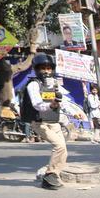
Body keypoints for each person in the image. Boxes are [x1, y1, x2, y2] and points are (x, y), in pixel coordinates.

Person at [21, 53, 82, 190]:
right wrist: (50, 105)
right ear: (37, 69)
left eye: (49, 68)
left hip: (54, 122)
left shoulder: (55, 84)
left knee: (63, 150)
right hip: (40, 122)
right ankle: (49, 176)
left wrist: (74, 112)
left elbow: (64, 101)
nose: (46, 71)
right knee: (59, 146)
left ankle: (53, 175)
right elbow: (37, 104)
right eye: (43, 68)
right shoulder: (33, 84)